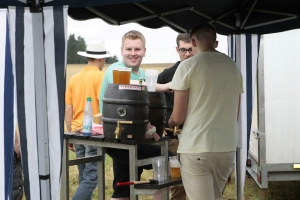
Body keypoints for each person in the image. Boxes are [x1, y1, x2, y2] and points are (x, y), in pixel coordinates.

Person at [168, 23, 243, 200]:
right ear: (215, 42)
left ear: (193, 41)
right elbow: (236, 114)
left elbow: (178, 117)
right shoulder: (233, 66)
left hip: (196, 146)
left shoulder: (187, 66)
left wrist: (170, 122)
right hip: (226, 147)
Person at [99, 30, 174, 200]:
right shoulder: (116, 69)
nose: (133, 53)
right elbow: (125, 83)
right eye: (129, 49)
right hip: (116, 138)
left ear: (144, 51)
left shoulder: (142, 74)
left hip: (134, 138)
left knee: (124, 191)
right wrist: (161, 86)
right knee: (169, 159)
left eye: (137, 49)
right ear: (121, 50)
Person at [65, 42, 112, 200]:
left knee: (83, 177)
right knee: (91, 178)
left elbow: (68, 110)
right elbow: (104, 107)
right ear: (102, 59)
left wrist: (71, 132)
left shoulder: (74, 78)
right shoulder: (101, 77)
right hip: (95, 133)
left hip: (77, 132)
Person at [157, 33, 193, 200]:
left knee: (197, 182)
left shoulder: (203, 73)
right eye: (183, 50)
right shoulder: (166, 75)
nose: (187, 54)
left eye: (191, 50)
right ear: (177, 50)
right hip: (174, 137)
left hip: (197, 137)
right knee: (177, 183)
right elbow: (157, 105)